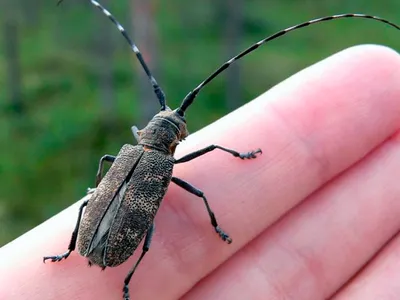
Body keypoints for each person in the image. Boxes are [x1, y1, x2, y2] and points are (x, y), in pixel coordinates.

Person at [1, 45, 400, 300]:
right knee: (172, 216)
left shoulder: (127, 151)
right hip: (118, 231)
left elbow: (111, 171)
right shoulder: (160, 163)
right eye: (175, 123)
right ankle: (120, 279)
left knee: (96, 200)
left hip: (110, 218)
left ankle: (74, 251)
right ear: (174, 137)